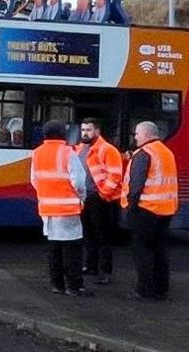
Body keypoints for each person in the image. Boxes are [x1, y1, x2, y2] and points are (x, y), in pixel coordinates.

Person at [30, 120, 90, 296]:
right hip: (68, 209)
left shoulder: (37, 153)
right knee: (72, 250)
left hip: (47, 209)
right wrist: (81, 198)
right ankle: (74, 286)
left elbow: (34, 180)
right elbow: (78, 181)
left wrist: (46, 194)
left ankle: (57, 285)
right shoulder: (67, 153)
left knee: (54, 249)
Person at [122, 121, 179, 301]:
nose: (135, 137)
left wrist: (129, 209)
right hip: (166, 209)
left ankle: (144, 290)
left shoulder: (143, 154)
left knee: (143, 252)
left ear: (146, 134)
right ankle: (161, 289)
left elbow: (136, 186)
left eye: (137, 134)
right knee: (160, 251)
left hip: (146, 210)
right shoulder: (166, 152)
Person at [75, 117, 124, 285]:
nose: (85, 133)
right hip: (85, 197)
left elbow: (115, 175)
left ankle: (105, 272)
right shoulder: (80, 149)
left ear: (97, 131)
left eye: (88, 130)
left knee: (103, 237)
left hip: (101, 199)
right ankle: (91, 266)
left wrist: (104, 194)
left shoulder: (108, 149)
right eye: (82, 130)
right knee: (88, 234)